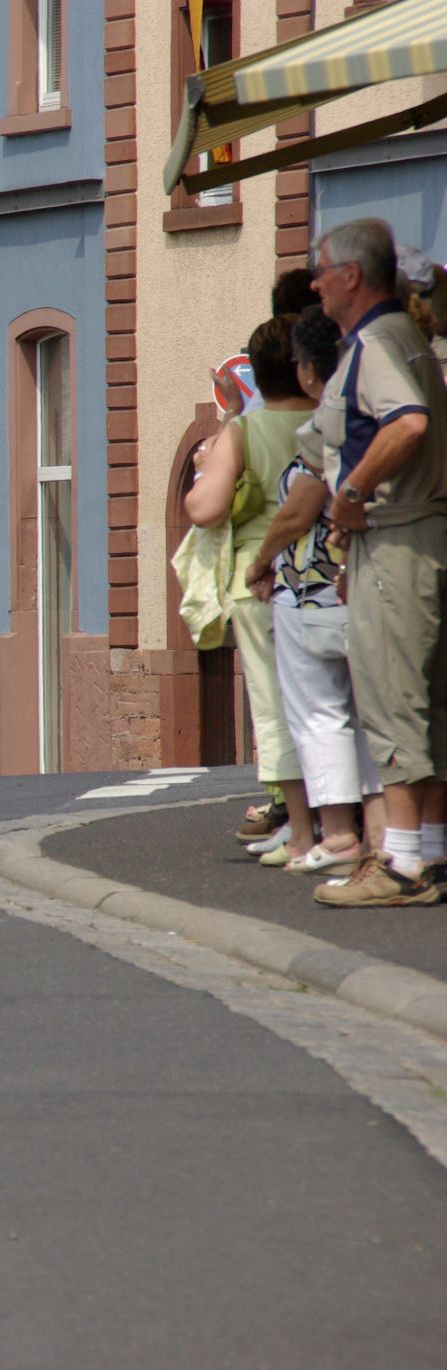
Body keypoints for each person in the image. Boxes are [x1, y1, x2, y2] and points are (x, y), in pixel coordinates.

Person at [310, 218, 447, 906]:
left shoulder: (374, 344)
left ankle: (399, 864)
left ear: (350, 276)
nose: (314, 282)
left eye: (321, 269)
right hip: (425, 532)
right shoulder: (410, 337)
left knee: (393, 696)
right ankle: (430, 849)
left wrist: (353, 491)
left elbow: (407, 421)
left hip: (395, 537)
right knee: (430, 699)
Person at [242, 306, 385, 875]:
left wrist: (261, 559)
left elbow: (300, 507)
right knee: (376, 717)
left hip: (312, 592)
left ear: (307, 370)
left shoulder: (331, 418)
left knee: (320, 716)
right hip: (365, 587)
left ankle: (341, 834)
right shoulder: (376, 409)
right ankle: (383, 835)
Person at [185, 314, 311, 865]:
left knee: (275, 706)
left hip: (258, 582)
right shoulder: (326, 419)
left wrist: (203, 472)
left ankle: (298, 825)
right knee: (327, 706)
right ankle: (345, 824)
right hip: (325, 577)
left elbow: (206, 509)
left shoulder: (246, 430)